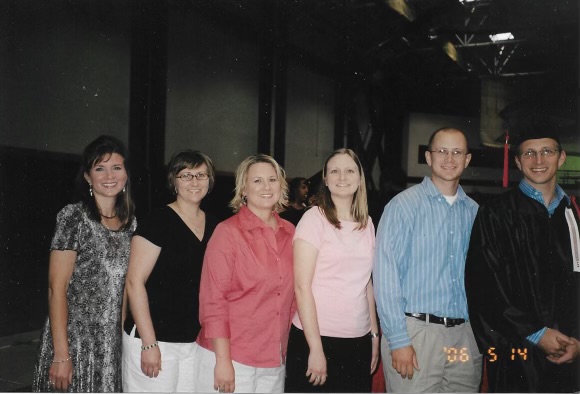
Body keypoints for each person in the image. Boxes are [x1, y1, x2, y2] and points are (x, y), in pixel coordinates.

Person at [465, 127, 580, 392]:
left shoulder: (574, 213)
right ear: (517, 161)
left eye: (546, 152)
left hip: (570, 354)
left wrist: (578, 343)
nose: (538, 161)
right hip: (518, 352)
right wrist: (538, 334)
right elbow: (484, 285)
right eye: (529, 153)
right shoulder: (496, 213)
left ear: (561, 157)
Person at [373, 127, 482, 392]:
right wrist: (398, 340)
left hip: (464, 338)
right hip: (417, 335)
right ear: (428, 157)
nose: (449, 158)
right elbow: (385, 276)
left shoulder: (475, 212)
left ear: (467, 160)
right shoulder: (403, 206)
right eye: (441, 151)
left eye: (457, 152)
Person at [32, 135, 136, 392]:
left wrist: (121, 342)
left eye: (116, 167)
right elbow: (57, 288)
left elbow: (124, 289)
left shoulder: (131, 224)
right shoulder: (73, 217)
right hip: (73, 343)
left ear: (125, 175)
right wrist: (61, 354)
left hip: (110, 345)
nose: (109, 175)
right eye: (99, 168)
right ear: (88, 177)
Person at [194, 154, 295, 393]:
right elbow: (213, 302)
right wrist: (223, 361)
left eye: (272, 179)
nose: (267, 187)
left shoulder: (291, 232)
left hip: (274, 360)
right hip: (232, 358)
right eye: (257, 181)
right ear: (244, 189)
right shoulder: (227, 233)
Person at [122, 150, 219, 392]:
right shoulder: (158, 221)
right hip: (155, 339)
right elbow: (134, 282)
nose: (194, 182)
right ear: (173, 181)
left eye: (201, 175)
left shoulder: (216, 225)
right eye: (186, 175)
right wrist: (148, 343)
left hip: (192, 342)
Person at [284, 148, 380, 393]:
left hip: (358, 340)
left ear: (360, 178)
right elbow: (301, 287)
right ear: (325, 179)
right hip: (316, 338)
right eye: (334, 171)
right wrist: (315, 348)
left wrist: (374, 335)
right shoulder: (313, 219)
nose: (342, 177)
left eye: (350, 170)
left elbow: (366, 282)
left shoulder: (367, 223)